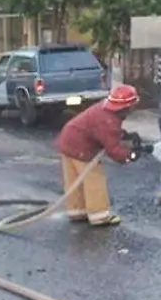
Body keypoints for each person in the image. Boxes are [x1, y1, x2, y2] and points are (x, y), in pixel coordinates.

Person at [55, 85, 151, 226]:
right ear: (126, 106)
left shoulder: (105, 110)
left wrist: (125, 136)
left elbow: (104, 133)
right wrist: (131, 155)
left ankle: (77, 211)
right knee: (94, 179)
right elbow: (113, 150)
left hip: (67, 140)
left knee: (75, 181)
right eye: (133, 105)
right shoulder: (109, 120)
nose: (133, 108)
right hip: (82, 148)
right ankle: (99, 216)